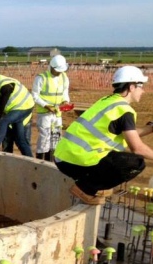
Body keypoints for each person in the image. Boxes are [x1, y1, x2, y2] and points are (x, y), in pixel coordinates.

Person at [54, 66, 153, 205]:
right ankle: (85, 189)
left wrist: (150, 128)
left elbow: (129, 134)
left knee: (119, 159)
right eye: (141, 86)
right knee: (135, 163)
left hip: (64, 157)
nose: (143, 91)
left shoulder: (109, 101)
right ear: (131, 87)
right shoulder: (124, 111)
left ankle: (95, 186)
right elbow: (137, 148)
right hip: (76, 161)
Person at [0, 70, 35, 157]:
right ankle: (31, 160)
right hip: (14, 109)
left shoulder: (6, 87)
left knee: (4, 121)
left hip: (25, 106)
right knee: (20, 140)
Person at [32, 54, 71, 161]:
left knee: (56, 137)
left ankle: (53, 160)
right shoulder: (41, 78)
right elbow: (35, 95)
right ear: (52, 67)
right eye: (58, 70)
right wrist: (46, 105)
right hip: (44, 113)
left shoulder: (64, 77)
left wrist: (66, 101)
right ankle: (41, 160)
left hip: (57, 113)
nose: (59, 72)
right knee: (45, 137)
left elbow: (65, 92)